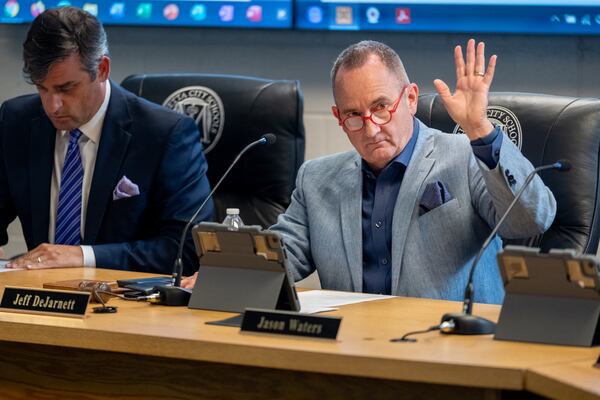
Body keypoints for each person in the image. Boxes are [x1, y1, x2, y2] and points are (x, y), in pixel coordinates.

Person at [183, 39, 556, 304]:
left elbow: (531, 221)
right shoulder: (317, 179)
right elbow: (284, 255)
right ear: (338, 119)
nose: (372, 127)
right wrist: (228, 271)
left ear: (410, 98)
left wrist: (480, 130)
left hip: (452, 350)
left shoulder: (466, 156)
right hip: (354, 349)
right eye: (354, 115)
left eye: (381, 107)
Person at [0, 7, 213, 275]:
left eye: (66, 89)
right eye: (42, 88)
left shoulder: (165, 134)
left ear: (101, 69)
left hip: (124, 301)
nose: (52, 106)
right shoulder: (17, 121)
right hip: (40, 296)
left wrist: (83, 256)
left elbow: (186, 250)